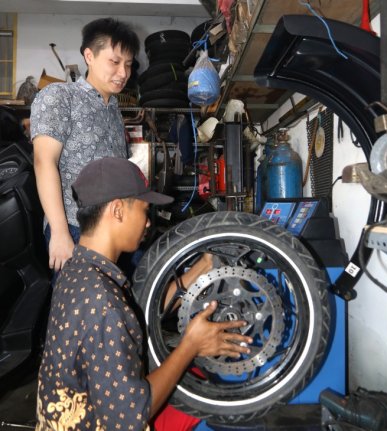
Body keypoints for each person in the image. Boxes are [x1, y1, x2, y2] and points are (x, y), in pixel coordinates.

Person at [35, 157, 252, 431]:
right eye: (144, 209)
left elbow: (135, 312)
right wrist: (190, 346)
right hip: (105, 422)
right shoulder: (102, 302)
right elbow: (129, 419)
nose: (148, 222)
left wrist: (202, 267)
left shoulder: (79, 270)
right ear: (117, 211)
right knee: (221, 405)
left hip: (70, 415)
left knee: (194, 376)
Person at [30, 17, 140, 272]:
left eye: (128, 64)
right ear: (89, 55)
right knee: (78, 307)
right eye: (114, 62)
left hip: (111, 232)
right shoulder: (59, 96)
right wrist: (59, 233)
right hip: (74, 229)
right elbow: (44, 162)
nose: (123, 73)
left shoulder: (113, 110)